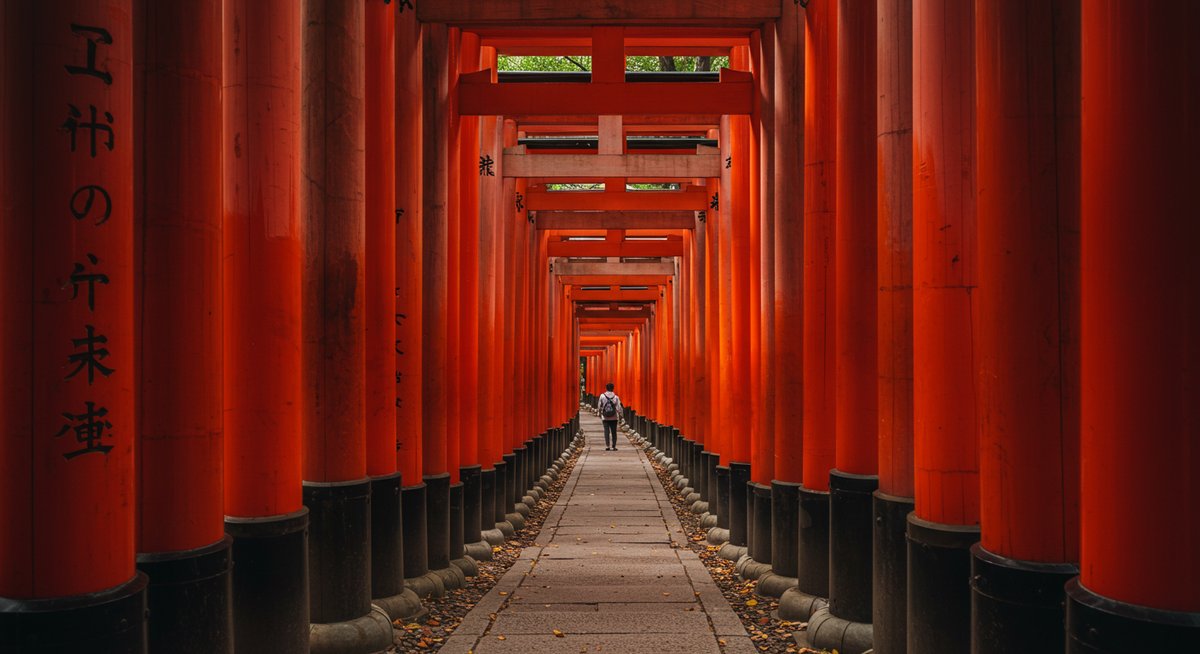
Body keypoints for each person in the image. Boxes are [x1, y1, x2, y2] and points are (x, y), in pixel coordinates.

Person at [597, 382, 623, 451]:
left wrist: (599, 413)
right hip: (614, 417)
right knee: (614, 432)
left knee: (606, 431)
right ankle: (614, 446)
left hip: (605, 417)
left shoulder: (602, 396)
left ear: (606, 388)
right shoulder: (616, 397)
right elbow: (619, 407)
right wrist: (620, 416)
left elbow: (599, 406)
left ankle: (607, 446)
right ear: (613, 388)